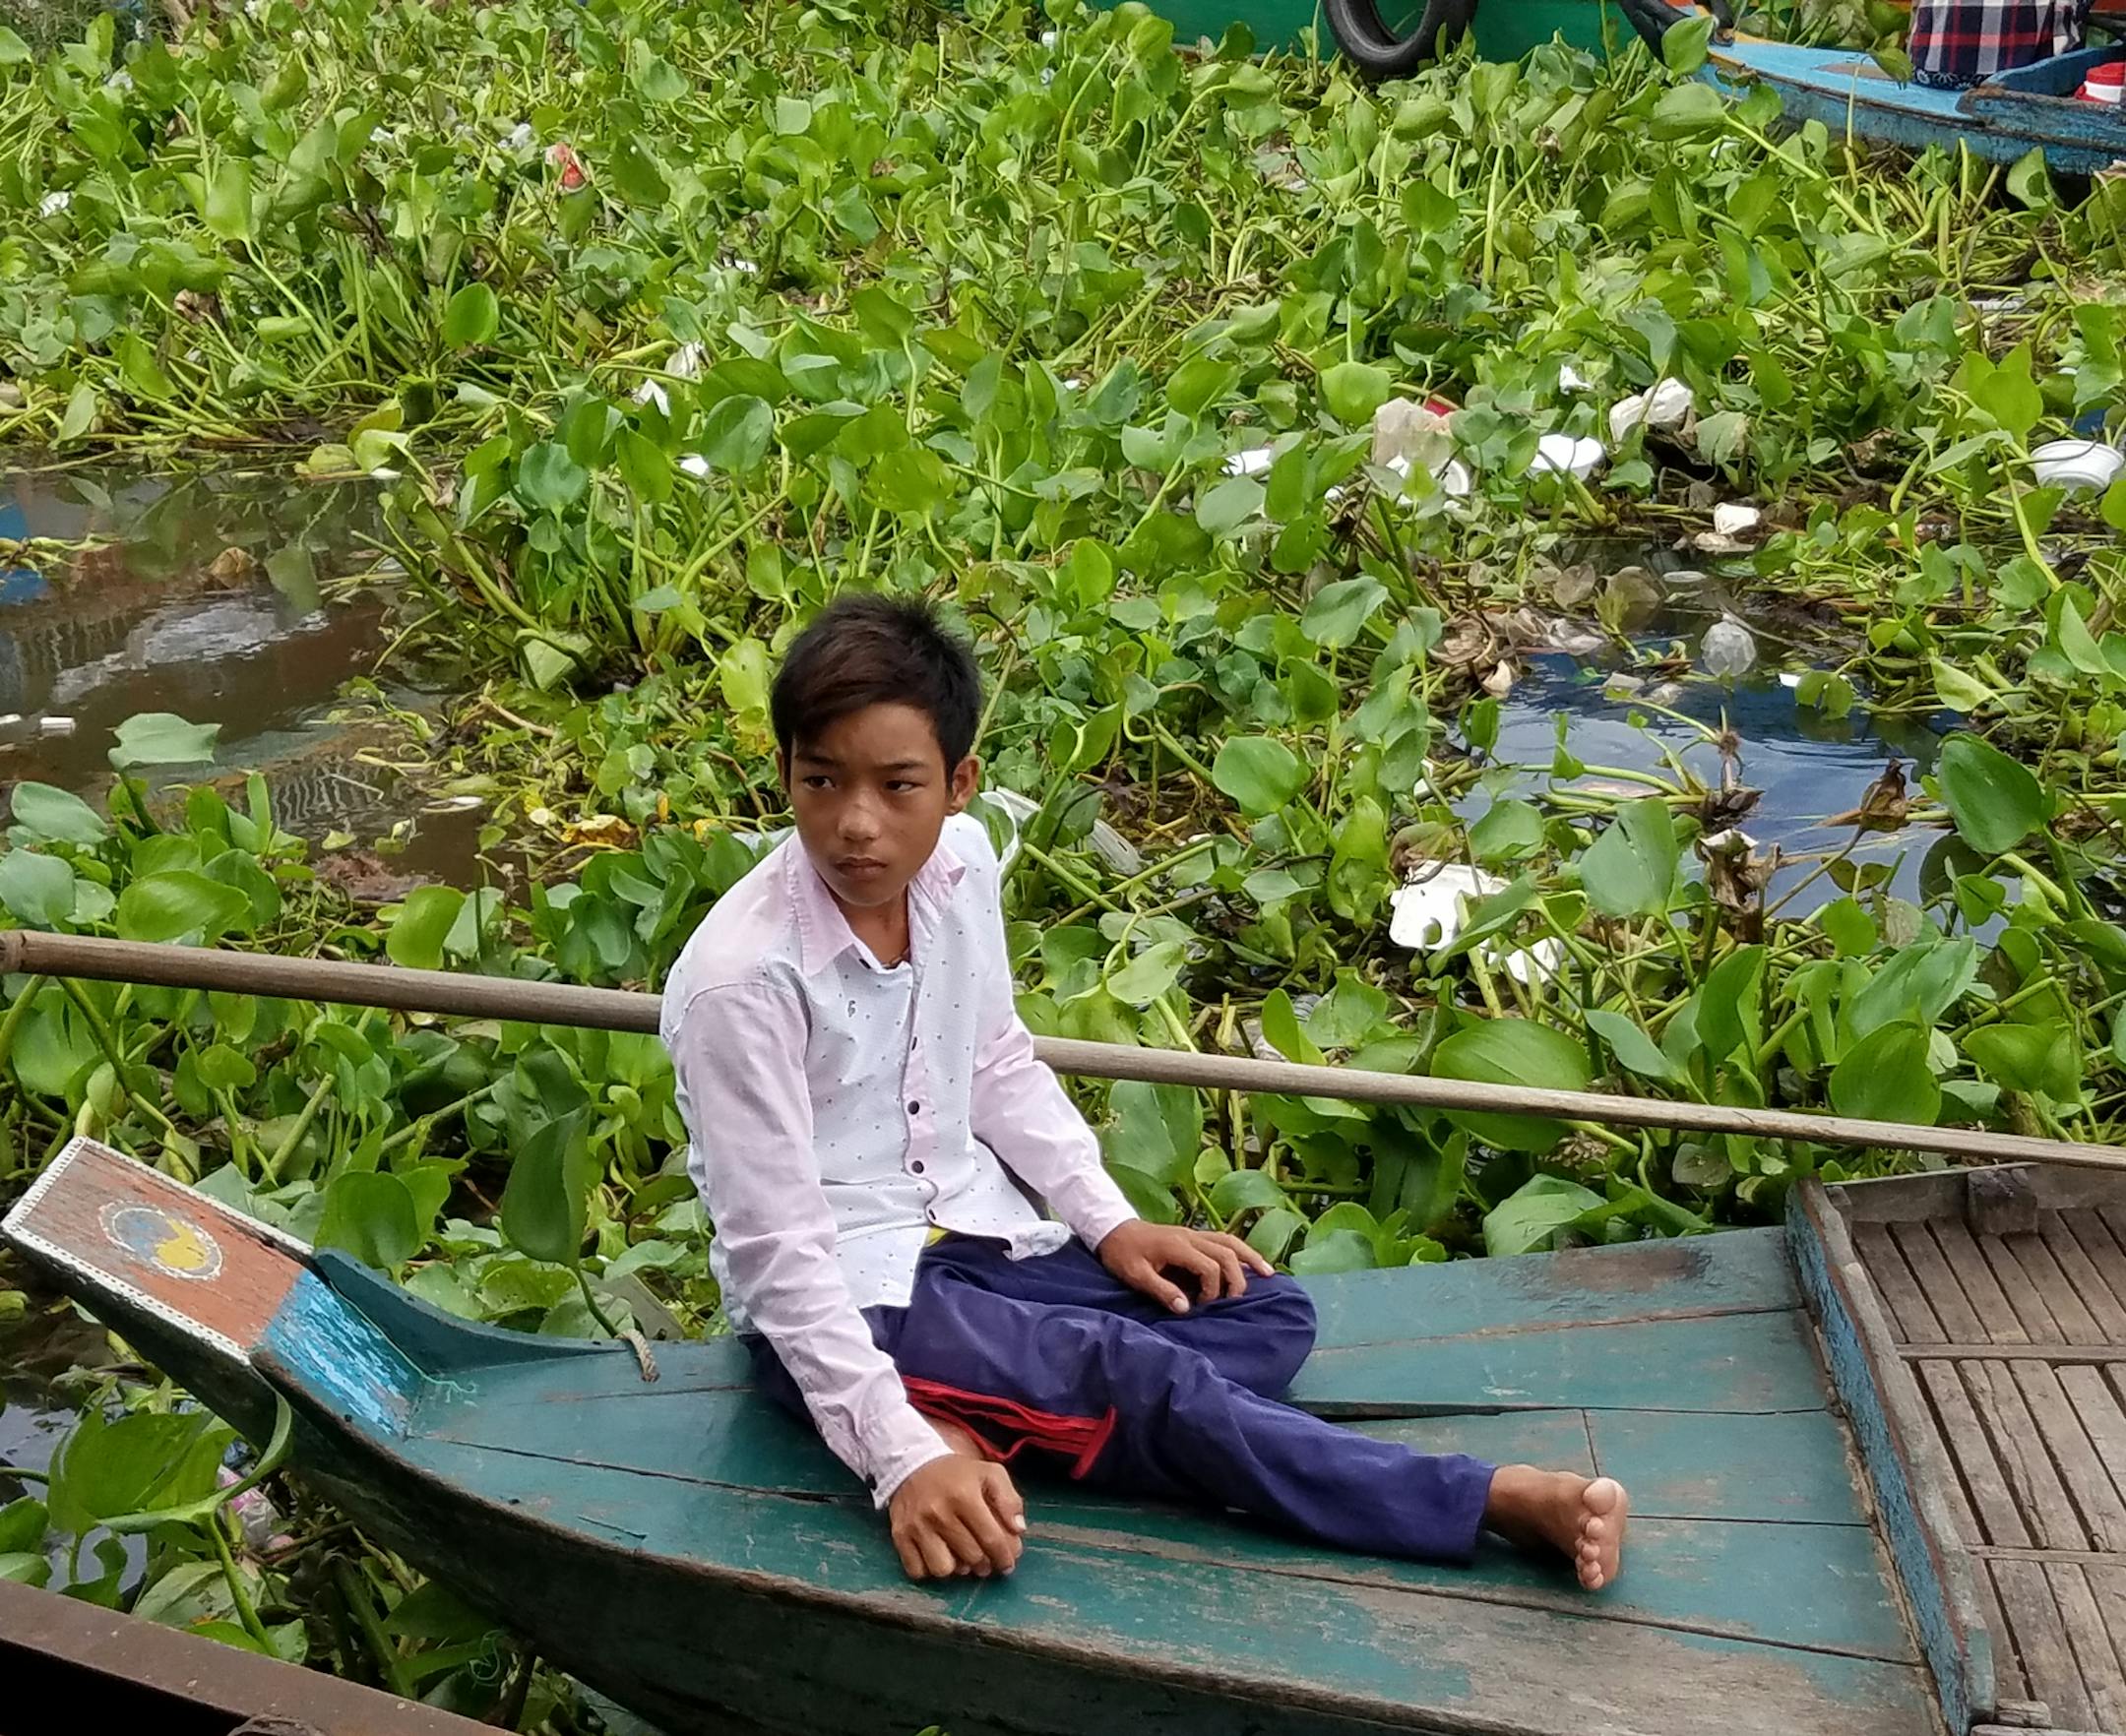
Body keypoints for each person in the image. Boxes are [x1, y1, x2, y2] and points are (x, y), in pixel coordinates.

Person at [659, 595, 1628, 1587]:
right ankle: (1482, 1498)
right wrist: (902, 1456)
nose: (856, 823)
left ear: (959, 784)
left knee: (1265, 1312)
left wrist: (1112, 1227)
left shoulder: (961, 869)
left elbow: (992, 1060)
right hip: (845, 1294)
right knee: (1147, 1377)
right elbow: (778, 1259)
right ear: (784, 773)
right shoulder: (745, 983)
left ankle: (1016, 1404)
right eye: (820, 781)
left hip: (974, 1236)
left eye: (896, 785)